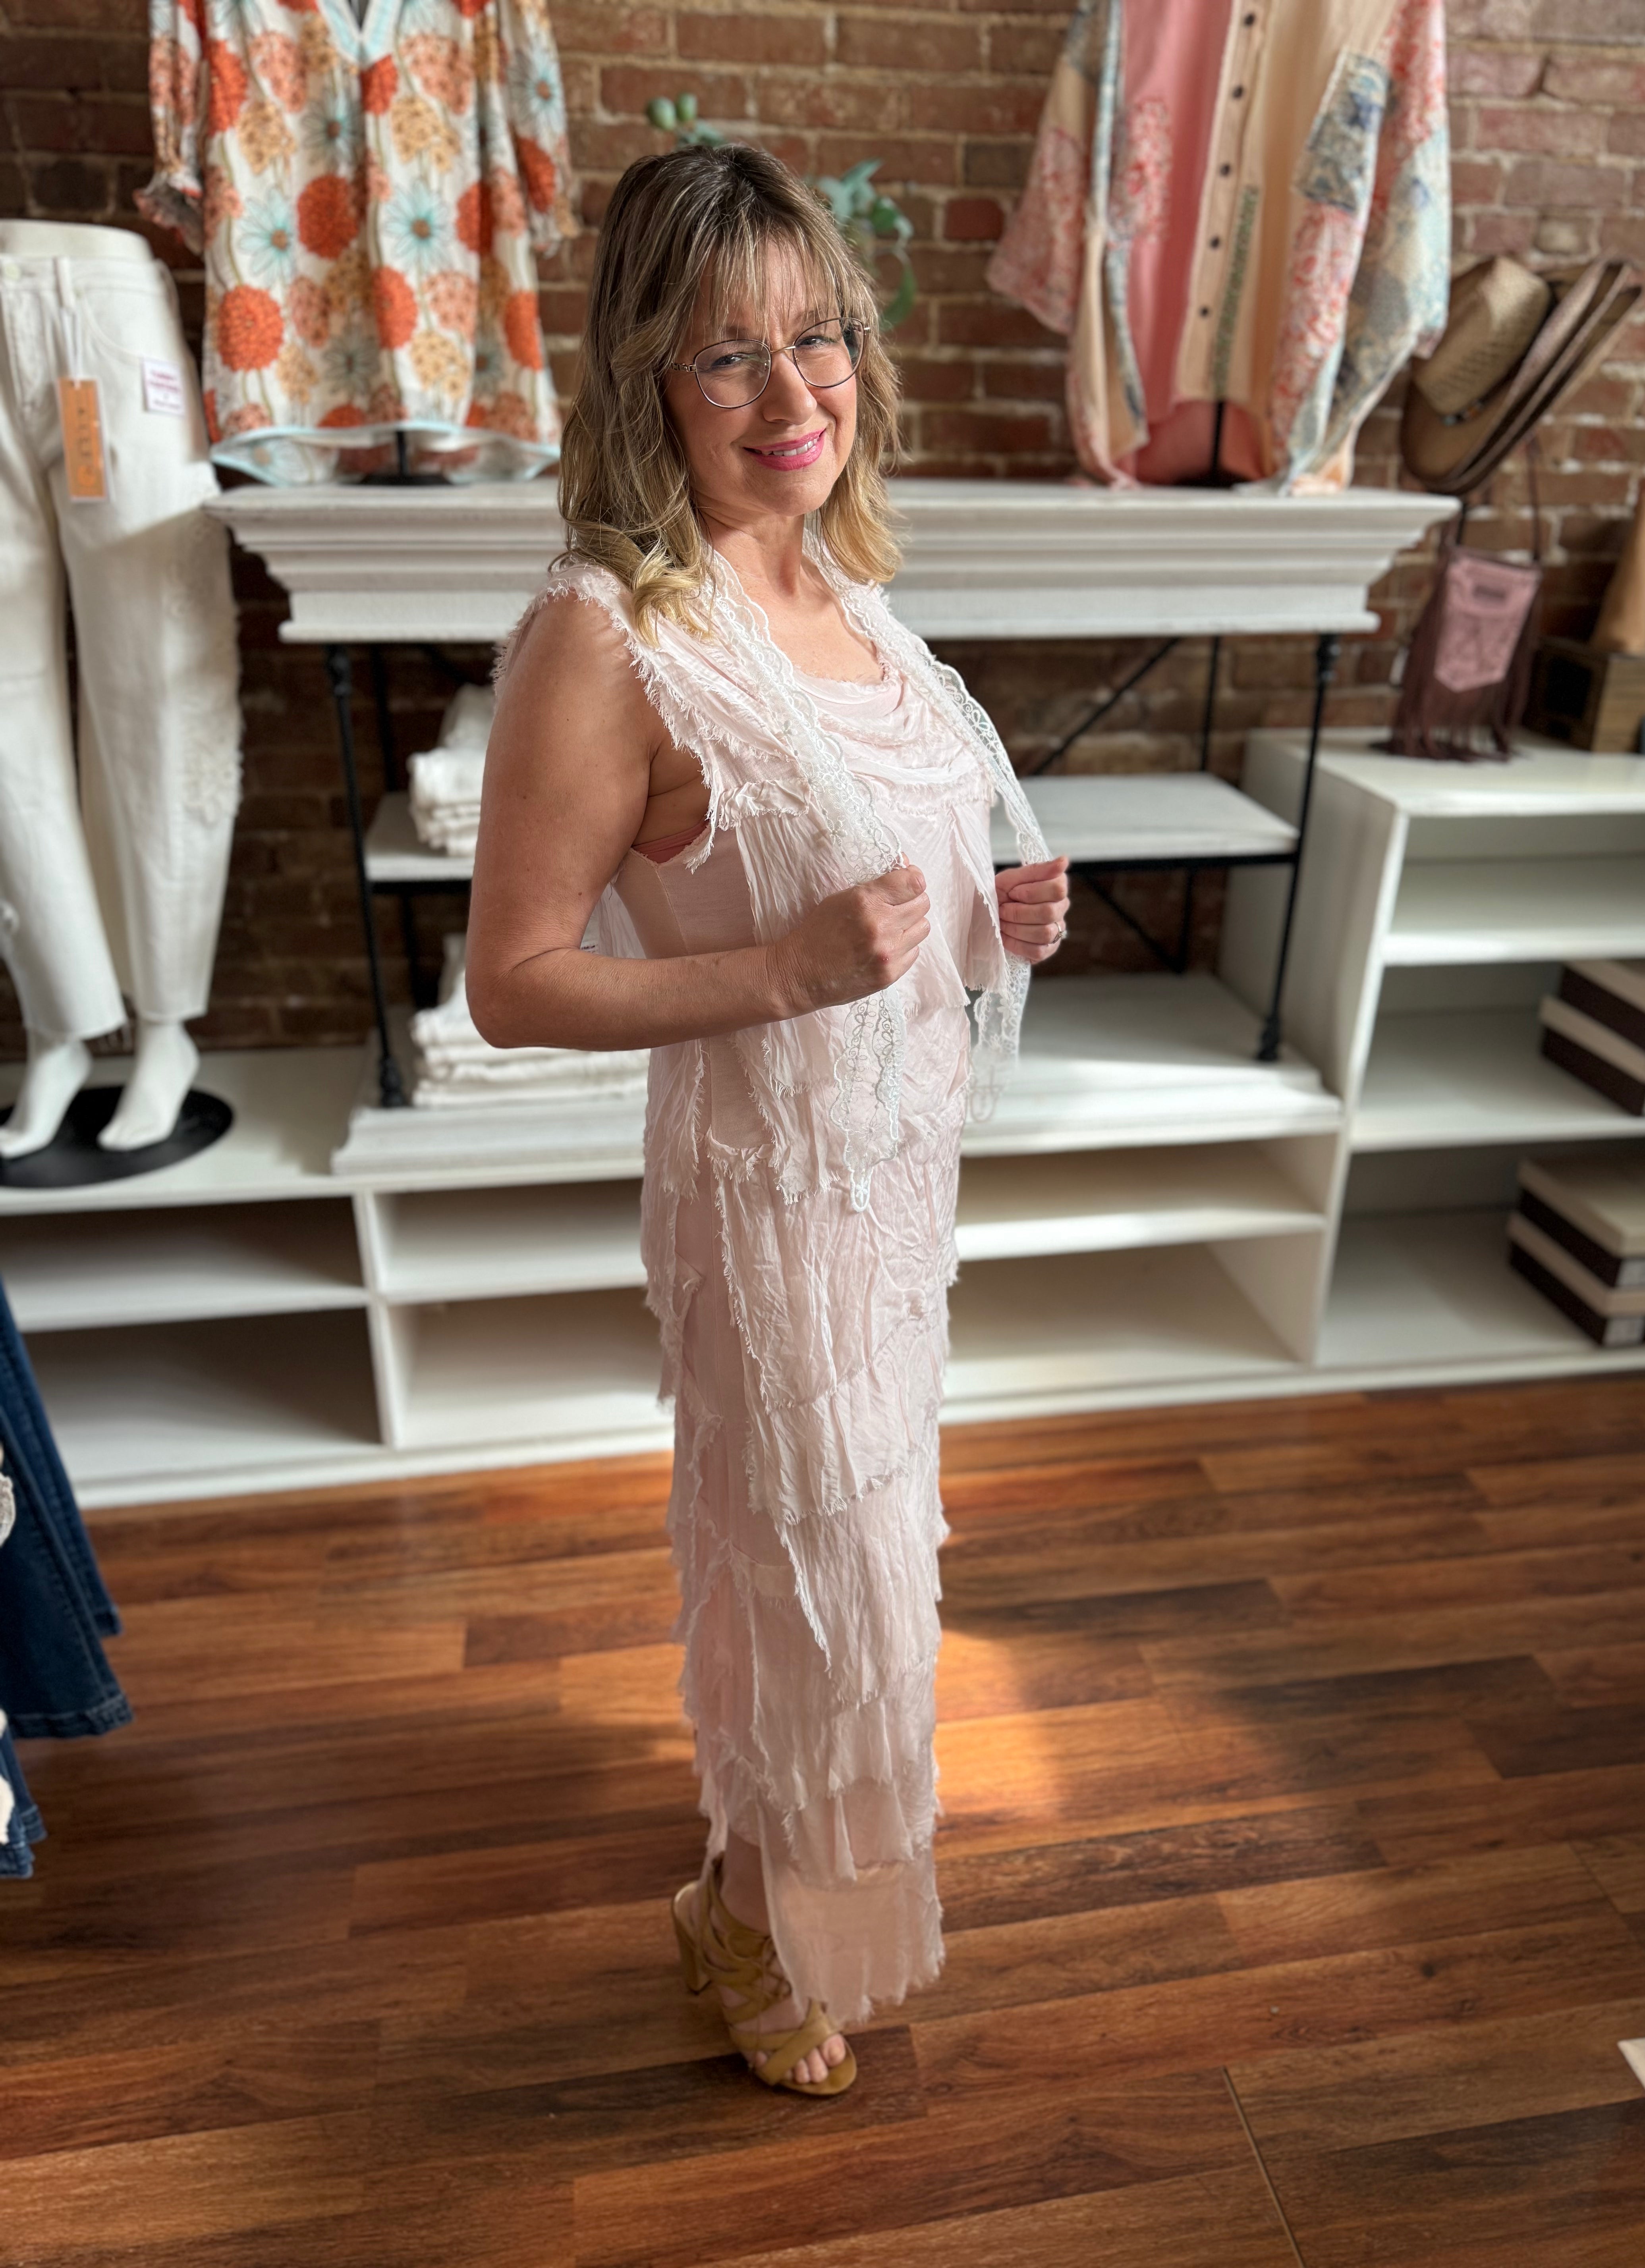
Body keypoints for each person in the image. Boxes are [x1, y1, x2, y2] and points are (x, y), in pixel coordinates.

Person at [465, 142, 1069, 2098]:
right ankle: (752, 1914)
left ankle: (752, 1877)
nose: (797, 395)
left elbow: (893, 880)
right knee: (820, 1571)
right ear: (646, 378)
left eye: (822, 340)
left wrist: (995, 911)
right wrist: (783, 975)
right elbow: (517, 976)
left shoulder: (850, 592)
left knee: (869, 1556)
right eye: (731, 358)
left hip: (896, 1186)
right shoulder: (607, 634)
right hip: (768, 1191)